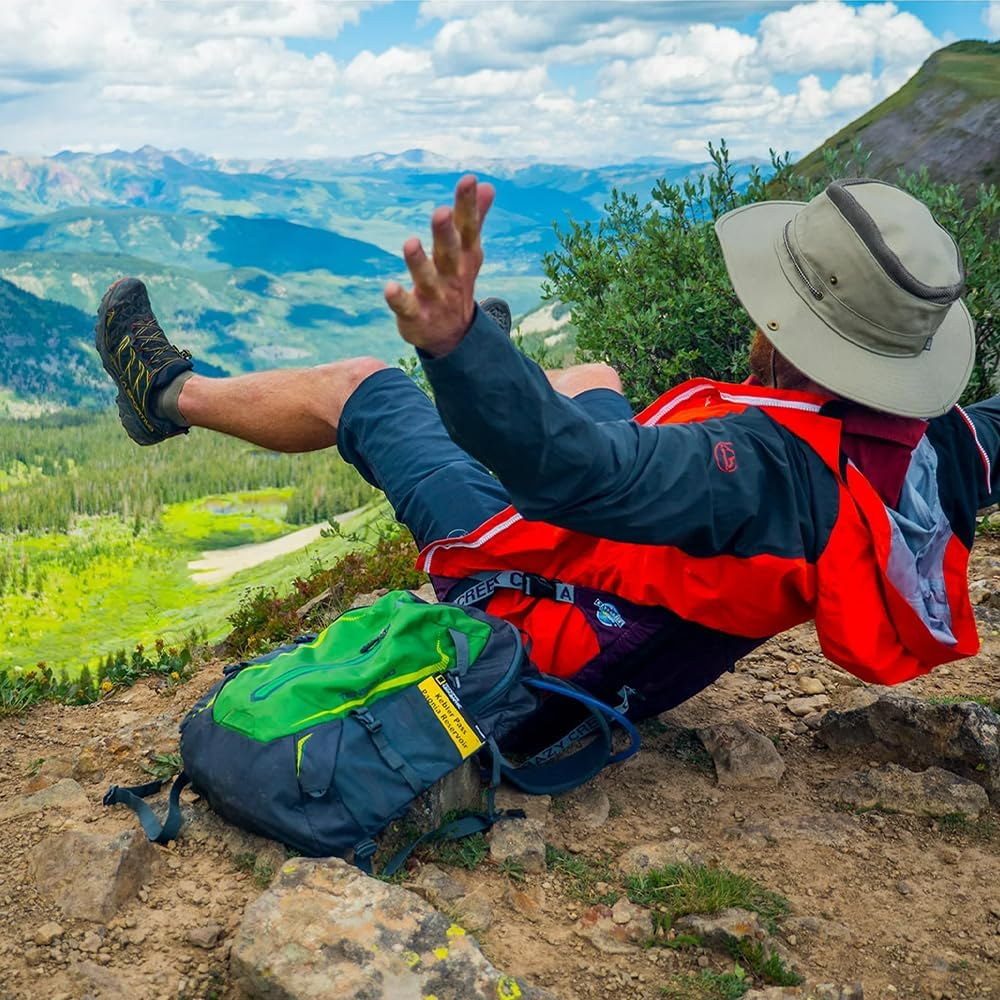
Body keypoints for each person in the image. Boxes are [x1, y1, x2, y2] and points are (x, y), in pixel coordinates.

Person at [94, 175, 1000, 722]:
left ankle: (165, 392)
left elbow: (577, 476)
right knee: (594, 374)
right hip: (645, 616)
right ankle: (495, 401)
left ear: (792, 335)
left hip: (542, 621)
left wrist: (454, 347)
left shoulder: (756, 476)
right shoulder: (932, 455)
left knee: (362, 387)